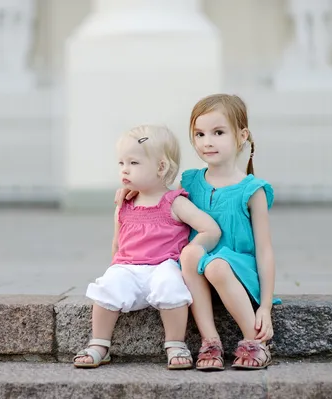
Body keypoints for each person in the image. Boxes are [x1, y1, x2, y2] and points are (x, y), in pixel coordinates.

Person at [116, 94, 281, 371]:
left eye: (218, 132)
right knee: (191, 254)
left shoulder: (252, 190)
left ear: (242, 136)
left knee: (215, 264)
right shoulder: (191, 181)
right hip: (196, 273)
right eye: (200, 134)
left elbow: (264, 251)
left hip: (237, 272)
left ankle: (256, 342)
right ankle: (210, 340)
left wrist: (264, 306)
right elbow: (161, 196)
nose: (207, 141)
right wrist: (134, 189)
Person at [74, 125, 221, 370]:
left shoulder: (174, 202)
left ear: (161, 167)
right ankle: (99, 343)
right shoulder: (124, 203)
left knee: (171, 285)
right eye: (121, 163)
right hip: (128, 267)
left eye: (134, 163)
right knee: (107, 286)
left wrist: (190, 252)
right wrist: (115, 270)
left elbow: (211, 229)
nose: (124, 169)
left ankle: (175, 343)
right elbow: (117, 242)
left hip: (164, 266)